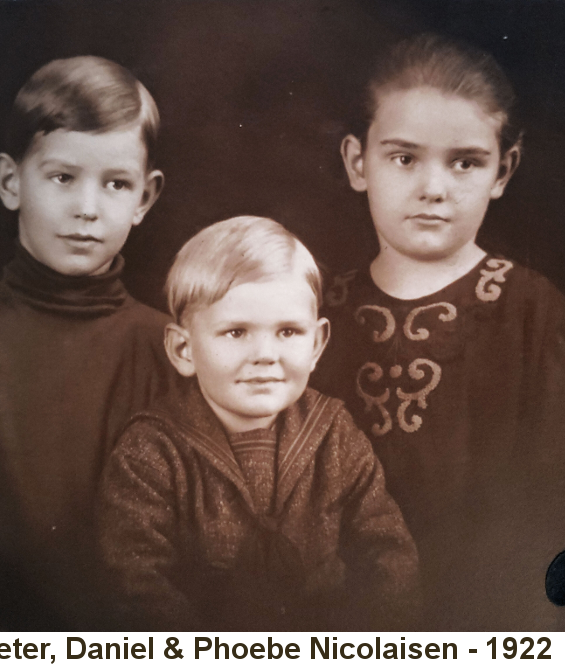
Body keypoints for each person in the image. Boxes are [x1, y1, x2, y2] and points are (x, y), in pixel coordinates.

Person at [313, 33, 565, 630]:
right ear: (357, 162)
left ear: (503, 170)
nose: (434, 188)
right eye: (404, 158)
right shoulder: (319, 310)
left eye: (465, 162)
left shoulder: (536, 314)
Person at [97, 216, 420, 631]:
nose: (265, 354)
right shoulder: (151, 451)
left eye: (288, 331)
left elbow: (389, 556)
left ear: (317, 344)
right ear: (183, 349)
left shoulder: (334, 432)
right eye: (236, 333)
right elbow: (136, 584)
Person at [0, 55, 172, 630]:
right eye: (62, 177)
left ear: (145, 199)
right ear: (11, 182)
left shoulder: (171, 350)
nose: (86, 208)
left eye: (115, 184)